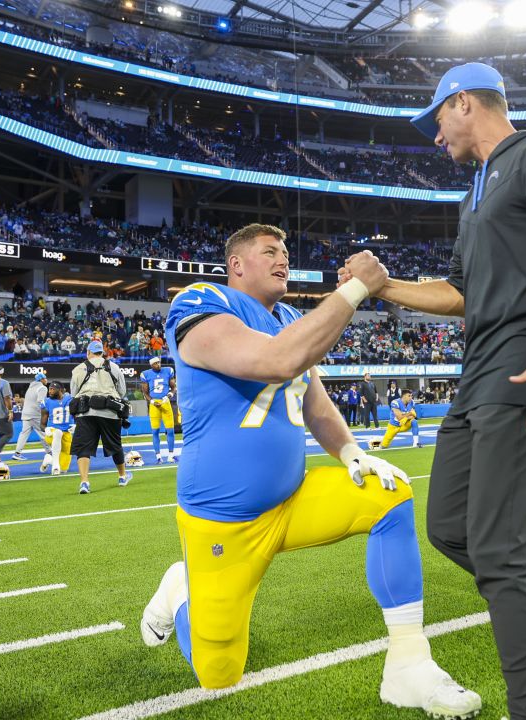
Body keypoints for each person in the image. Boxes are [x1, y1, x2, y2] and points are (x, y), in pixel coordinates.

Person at [352, 62, 526, 720]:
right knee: (451, 528)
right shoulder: (472, 191)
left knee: (501, 548)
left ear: (465, 103)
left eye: (438, 120)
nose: (435, 135)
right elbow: (461, 295)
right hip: (476, 380)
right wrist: (383, 286)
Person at [138, 224, 480, 718]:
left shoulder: (293, 316)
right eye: (269, 252)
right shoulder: (202, 301)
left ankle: (409, 664)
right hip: (225, 521)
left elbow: (315, 405)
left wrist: (351, 453)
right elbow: (278, 360)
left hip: (293, 499)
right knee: (219, 675)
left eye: (284, 251)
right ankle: (180, 589)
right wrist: (357, 287)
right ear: (236, 265)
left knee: (390, 493)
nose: (282, 259)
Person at [70, 340, 130, 494]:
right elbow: (122, 392)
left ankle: (84, 482)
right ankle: (122, 476)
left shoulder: (78, 368)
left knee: (83, 447)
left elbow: (74, 392)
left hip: (85, 412)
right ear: (102, 353)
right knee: (115, 444)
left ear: (88, 353)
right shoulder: (114, 367)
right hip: (109, 411)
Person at [141, 357, 177, 463]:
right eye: (155, 363)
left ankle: (171, 455)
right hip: (154, 405)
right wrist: (152, 402)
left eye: (159, 362)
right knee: (155, 431)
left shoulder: (168, 371)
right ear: (151, 365)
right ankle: (158, 457)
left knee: (170, 430)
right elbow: (145, 393)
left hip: (166, 402)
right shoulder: (146, 374)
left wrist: (169, 395)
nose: (158, 364)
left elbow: (173, 387)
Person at [12, 372, 50, 463]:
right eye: (45, 378)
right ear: (41, 379)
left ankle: (17, 453)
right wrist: (47, 411)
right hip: (35, 414)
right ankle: (50, 451)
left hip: (26, 413)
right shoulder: (42, 388)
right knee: (42, 433)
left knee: (23, 434)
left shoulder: (30, 387)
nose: (46, 380)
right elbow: (41, 402)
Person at [39, 383, 74, 475]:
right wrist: (46, 429)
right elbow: (42, 424)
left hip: (67, 434)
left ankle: (49, 459)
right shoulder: (46, 402)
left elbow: (79, 414)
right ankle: (55, 465)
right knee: (58, 432)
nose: (50, 391)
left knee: (63, 470)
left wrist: (76, 425)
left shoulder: (70, 399)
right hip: (52, 433)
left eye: (52, 389)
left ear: (61, 390)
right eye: (49, 389)